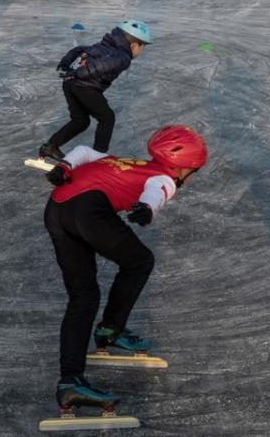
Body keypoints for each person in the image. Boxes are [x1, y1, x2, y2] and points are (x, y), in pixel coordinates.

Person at [43, 125, 207, 413]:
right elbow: (158, 191)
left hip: (57, 209)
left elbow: (84, 152)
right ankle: (110, 329)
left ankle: (69, 383)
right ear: (182, 168)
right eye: (193, 170)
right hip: (88, 213)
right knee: (140, 261)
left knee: (83, 297)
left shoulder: (128, 163)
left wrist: (64, 165)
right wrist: (146, 209)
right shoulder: (164, 177)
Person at [38, 20, 151, 161]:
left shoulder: (103, 47)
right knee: (107, 118)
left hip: (69, 83)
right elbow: (100, 67)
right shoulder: (123, 57)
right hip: (85, 86)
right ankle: (97, 156)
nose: (142, 51)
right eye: (143, 47)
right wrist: (79, 74)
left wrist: (67, 66)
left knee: (80, 121)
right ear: (134, 45)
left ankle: (50, 146)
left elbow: (79, 50)